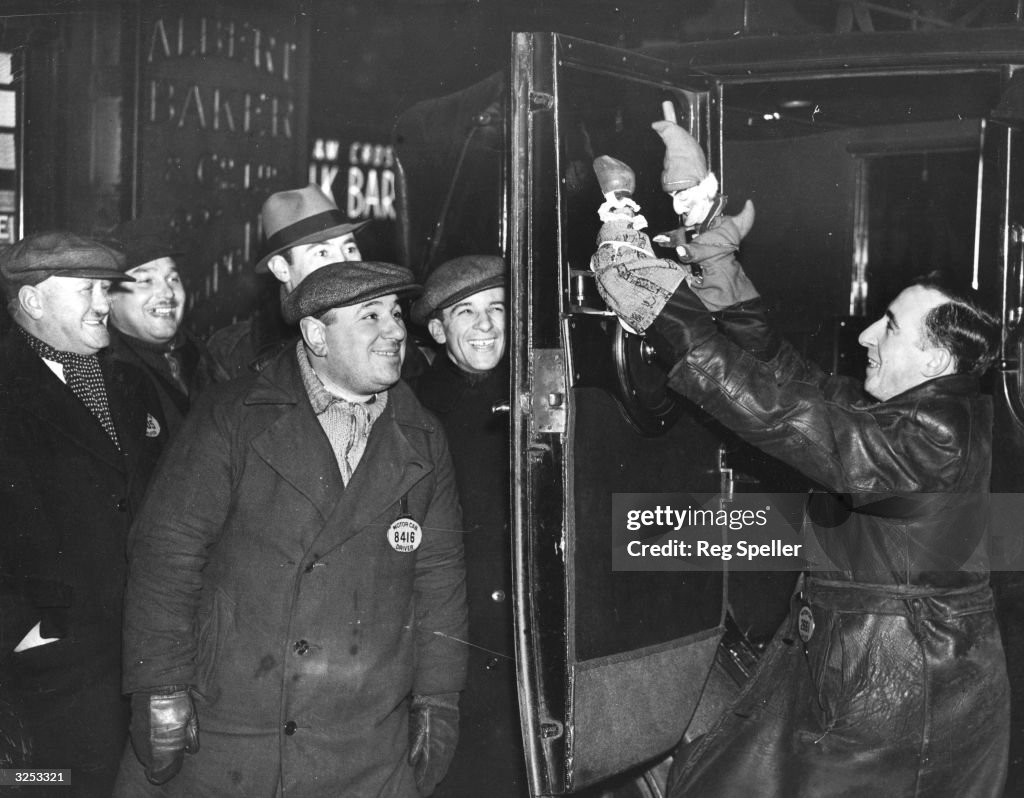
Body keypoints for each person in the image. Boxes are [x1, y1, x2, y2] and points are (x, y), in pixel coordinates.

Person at [589, 131, 1009, 796]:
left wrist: (663, 309)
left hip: (892, 702)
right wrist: (716, 265)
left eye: (892, 327)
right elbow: (791, 378)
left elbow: (783, 416)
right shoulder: (930, 408)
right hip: (873, 673)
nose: (868, 334)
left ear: (936, 358)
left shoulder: (934, 432)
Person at [115, 261, 468, 797]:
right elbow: (168, 552)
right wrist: (159, 684)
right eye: (370, 315)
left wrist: (440, 699)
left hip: (365, 742)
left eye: (396, 313)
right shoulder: (232, 415)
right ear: (315, 335)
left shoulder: (422, 435)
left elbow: (440, 579)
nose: (396, 329)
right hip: (230, 726)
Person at [0, 231, 168, 796]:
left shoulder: (129, 381)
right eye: (87, 290)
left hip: (136, 652)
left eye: (105, 288)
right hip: (49, 664)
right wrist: (30, 626)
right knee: (48, 785)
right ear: (32, 301)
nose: (103, 304)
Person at [409, 255, 526, 796]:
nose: (484, 326)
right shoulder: (415, 410)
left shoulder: (536, 395)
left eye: (497, 308)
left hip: (521, 627)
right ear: (437, 329)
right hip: (453, 630)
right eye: (466, 312)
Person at [205, 183, 367, 378]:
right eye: (322, 252)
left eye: (349, 249)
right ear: (281, 269)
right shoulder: (232, 352)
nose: (344, 263)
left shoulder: (387, 334)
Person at [105, 217, 224, 436]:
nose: (168, 293)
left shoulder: (203, 356)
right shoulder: (103, 375)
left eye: (173, 278)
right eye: (146, 281)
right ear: (109, 296)